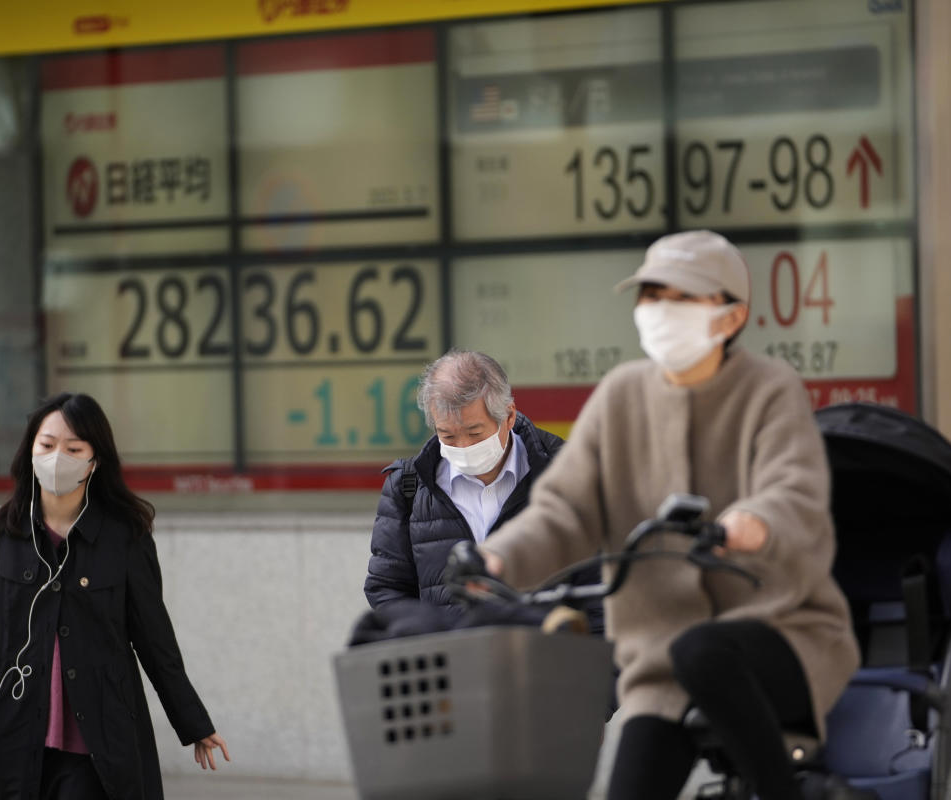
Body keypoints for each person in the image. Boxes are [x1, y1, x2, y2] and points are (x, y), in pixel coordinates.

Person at [477, 230, 861, 800]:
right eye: (650, 295)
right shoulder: (619, 395)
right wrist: (501, 556)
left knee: (701, 649)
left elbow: (793, 488)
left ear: (730, 319)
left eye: (681, 298)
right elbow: (564, 511)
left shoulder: (769, 389)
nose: (659, 310)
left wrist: (751, 522)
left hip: (780, 634)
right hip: (658, 667)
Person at [0, 392, 230, 799]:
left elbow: (155, 640)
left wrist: (194, 723)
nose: (58, 458)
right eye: (47, 445)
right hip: (16, 734)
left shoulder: (124, 536)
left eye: (73, 448)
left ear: (94, 460)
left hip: (100, 740)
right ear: (30, 452)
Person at [364, 349, 602, 633]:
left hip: (546, 662)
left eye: (475, 433)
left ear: (508, 416)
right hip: (451, 665)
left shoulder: (564, 472)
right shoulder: (409, 486)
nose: (463, 447)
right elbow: (387, 587)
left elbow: (597, 584)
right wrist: (425, 635)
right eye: (447, 435)